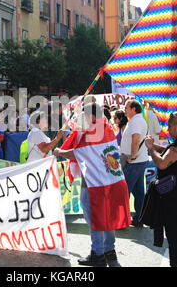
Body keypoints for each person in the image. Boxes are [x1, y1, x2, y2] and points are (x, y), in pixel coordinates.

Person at [54, 103, 129, 267]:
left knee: (95, 218)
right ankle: (109, 251)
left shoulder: (93, 132)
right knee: (107, 217)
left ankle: (98, 254)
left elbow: (78, 153)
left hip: (95, 184)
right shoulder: (107, 128)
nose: (84, 119)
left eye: (85, 116)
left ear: (92, 117)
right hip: (111, 181)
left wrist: (60, 152)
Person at [144, 111, 177, 267]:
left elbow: (162, 163)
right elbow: (168, 153)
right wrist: (153, 145)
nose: (168, 129)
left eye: (170, 125)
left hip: (174, 195)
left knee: (174, 234)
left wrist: (150, 149)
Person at [121, 99, 149, 227]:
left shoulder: (136, 121)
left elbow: (136, 139)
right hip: (138, 161)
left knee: (124, 191)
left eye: (126, 107)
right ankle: (139, 218)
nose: (124, 109)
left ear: (133, 109)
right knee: (138, 192)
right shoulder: (136, 120)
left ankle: (122, 220)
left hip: (134, 162)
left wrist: (132, 156)